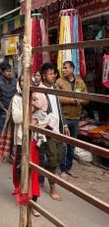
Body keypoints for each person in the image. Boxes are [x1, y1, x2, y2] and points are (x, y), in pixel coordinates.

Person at [39, 62, 70, 200]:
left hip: (59, 129)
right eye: (50, 74)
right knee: (52, 159)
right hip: (48, 131)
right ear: (44, 75)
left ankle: (42, 172)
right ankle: (52, 188)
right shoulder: (39, 91)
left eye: (54, 73)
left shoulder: (55, 88)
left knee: (57, 157)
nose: (53, 76)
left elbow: (59, 109)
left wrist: (64, 125)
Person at [11, 76, 41, 217]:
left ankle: (33, 202)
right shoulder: (17, 98)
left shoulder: (37, 97)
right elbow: (16, 118)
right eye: (22, 80)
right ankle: (22, 195)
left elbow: (44, 115)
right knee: (20, 170)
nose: (25, 83)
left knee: (33, 172)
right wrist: (28, 109)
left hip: (34, 139)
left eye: (27, 80)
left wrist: (36, 117)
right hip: (21, 139)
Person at [56, 61, 88, 179]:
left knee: (72, 144)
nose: (63, 70)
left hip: (75, 117)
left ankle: (68, 168)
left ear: (72, 69)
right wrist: (71, 100)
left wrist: (81, 100)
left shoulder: (80, 82)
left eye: (65, 68)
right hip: (64, 117)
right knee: (64, 143)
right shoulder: (59, 82)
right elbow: (57, 98)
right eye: (63, 68)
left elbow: (87, 97)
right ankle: (63, 168)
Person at [0, 62, 17, 137]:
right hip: (3, 114)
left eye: (10, 71)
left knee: (12, 136)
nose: (9, 73)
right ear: (2, 72)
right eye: (7, 71)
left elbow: (16, 95)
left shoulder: (14, 82)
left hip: (13, 112)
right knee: (3, 135)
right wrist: (5, 110)